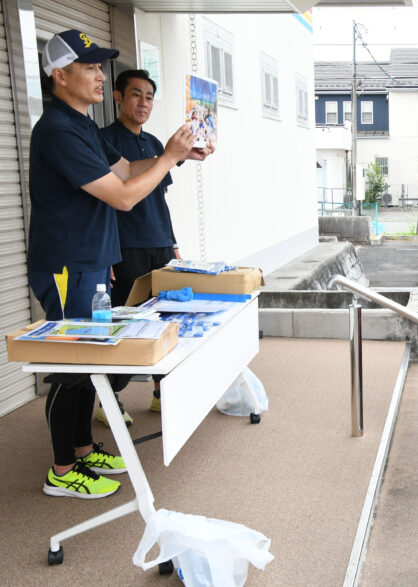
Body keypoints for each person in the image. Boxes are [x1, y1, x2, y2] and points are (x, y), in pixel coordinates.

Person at [29, 30, 193, 499]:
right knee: (70, 365)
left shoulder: (80, 123)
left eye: (101, 66)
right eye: (89, 67)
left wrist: (177, 158)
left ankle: (82, 448)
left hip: (93, 264)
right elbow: (122, 197)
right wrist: (166, 158)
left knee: (91, 358)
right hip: (66, 267)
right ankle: (62, 469)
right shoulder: (58, 129)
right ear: (60, 75)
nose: (100, 75)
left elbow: (124, 171)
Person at [98, 69, 214, 425]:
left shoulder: (152, 143)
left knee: (166, 321)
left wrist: (173, 243)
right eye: (135, 95)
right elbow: (106, 198)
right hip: (126, 247)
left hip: (160, 245)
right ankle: (109, 400)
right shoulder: (103, 140)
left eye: (149, 96)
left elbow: (158, 199)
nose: (143, 103)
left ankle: (162, 393)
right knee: (126, 324)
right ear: (117, 97)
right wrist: (108, 254)